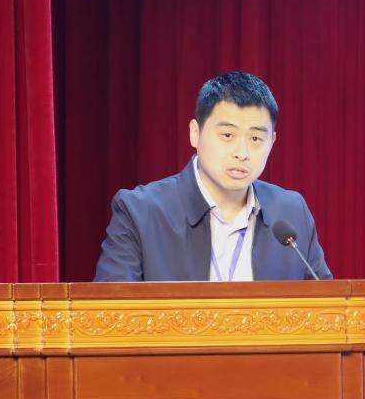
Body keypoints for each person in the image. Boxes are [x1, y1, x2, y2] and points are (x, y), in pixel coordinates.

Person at [93, 71, 332, 282]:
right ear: (195, 133)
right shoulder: (140, 211)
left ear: (272, 141)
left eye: (256, 139)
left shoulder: (291, 212)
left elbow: (328, 307)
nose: (242, 153)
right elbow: (109, 311)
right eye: (227, 135)